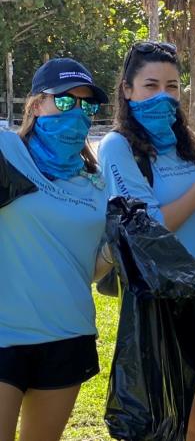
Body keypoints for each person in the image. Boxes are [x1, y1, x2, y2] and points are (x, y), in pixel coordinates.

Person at [98, 41, 195, 441]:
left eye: (172, 87)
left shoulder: (183, 144)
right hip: (157, 302)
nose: (163, 96)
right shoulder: (117, 147)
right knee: (159, 421)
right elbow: (147, 229)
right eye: (150, 86)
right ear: (127, 90)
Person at [0, 58, 112, 441]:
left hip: (68, 335)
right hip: (4, 334)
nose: (77, 113)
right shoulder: (8, 155)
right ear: (35, 105)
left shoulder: (97, 185)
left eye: (87, 105)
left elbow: (87, 269)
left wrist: (112, 252)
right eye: (64, 102)